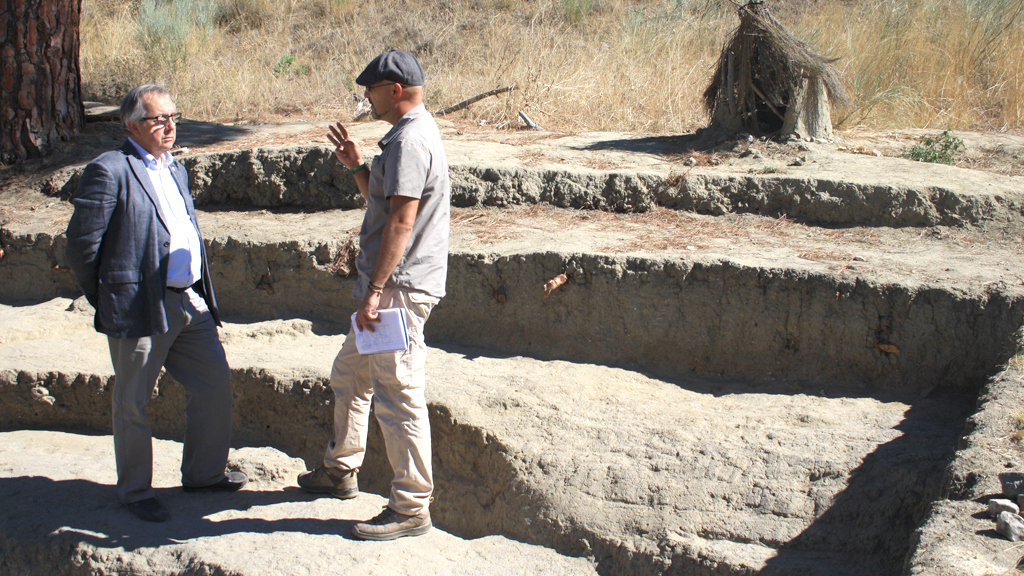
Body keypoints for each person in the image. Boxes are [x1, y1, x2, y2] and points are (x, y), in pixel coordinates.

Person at [65, 85, 247, 523]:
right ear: (131, 126)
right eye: (158, 119)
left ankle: (204, 474)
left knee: (213, 384)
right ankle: (135, 490)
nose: (170, 126)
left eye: (173, 117)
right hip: (139, 305)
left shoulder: (175, 169)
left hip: (187, 300)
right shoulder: (110, 170)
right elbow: (81, 245)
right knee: (132, 401)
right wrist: (109, 296)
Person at [297, 50, 450, 541]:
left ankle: (410, 507)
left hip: (396, 292)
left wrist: (377, 291)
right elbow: (386, 206)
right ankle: (340, 469)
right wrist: (358, 168)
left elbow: (403, 223)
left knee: (398, 394)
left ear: (395, 90)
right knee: (350, 375)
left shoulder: (411, 141)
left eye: (372, 89)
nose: (367, 97)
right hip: (386, 289)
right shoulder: (406, 136)